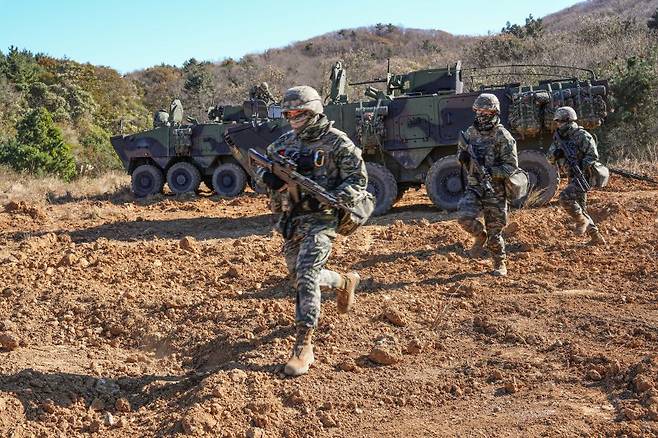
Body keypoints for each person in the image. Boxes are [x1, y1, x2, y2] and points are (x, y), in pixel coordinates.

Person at [256, 85, 368, 376]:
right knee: (299, 276)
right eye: (288, 113)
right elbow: (261, 169)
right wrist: (267, 178)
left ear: (314, 111)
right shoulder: (281, 145)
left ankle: (303, 346)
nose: (292, 117)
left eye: (298, 112)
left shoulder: (338, 143)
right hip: (290, 220)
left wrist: (333, 196)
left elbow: (358, 180)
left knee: (306, 276)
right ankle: (344, 282)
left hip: (322, 220)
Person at [457, 93, 519, 277]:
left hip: (496, 190)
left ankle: (500, 263)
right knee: (463, 217)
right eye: (478, 110)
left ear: (494, 111)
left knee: (495, 232)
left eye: (486, 110)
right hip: (475, 186)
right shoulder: (470, 133)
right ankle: (479, 235)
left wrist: (492, 172)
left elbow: (511, 167)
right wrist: (463, 159)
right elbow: (461, 155)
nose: (481, 114)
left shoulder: (503, 135)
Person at [546, 106, 606, 245]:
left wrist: (580, 165)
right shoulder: (559, 137)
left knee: (564, 198)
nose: (559, 124)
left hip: (584, 176)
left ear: (568, 120)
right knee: (581, 209)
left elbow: (593, 156)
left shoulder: (582, 135)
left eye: (561, 121)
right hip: (572, 175)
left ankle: (582, 222)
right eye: (558, 122)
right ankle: (596, 237)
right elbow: (549, 158)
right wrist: (556, 154)